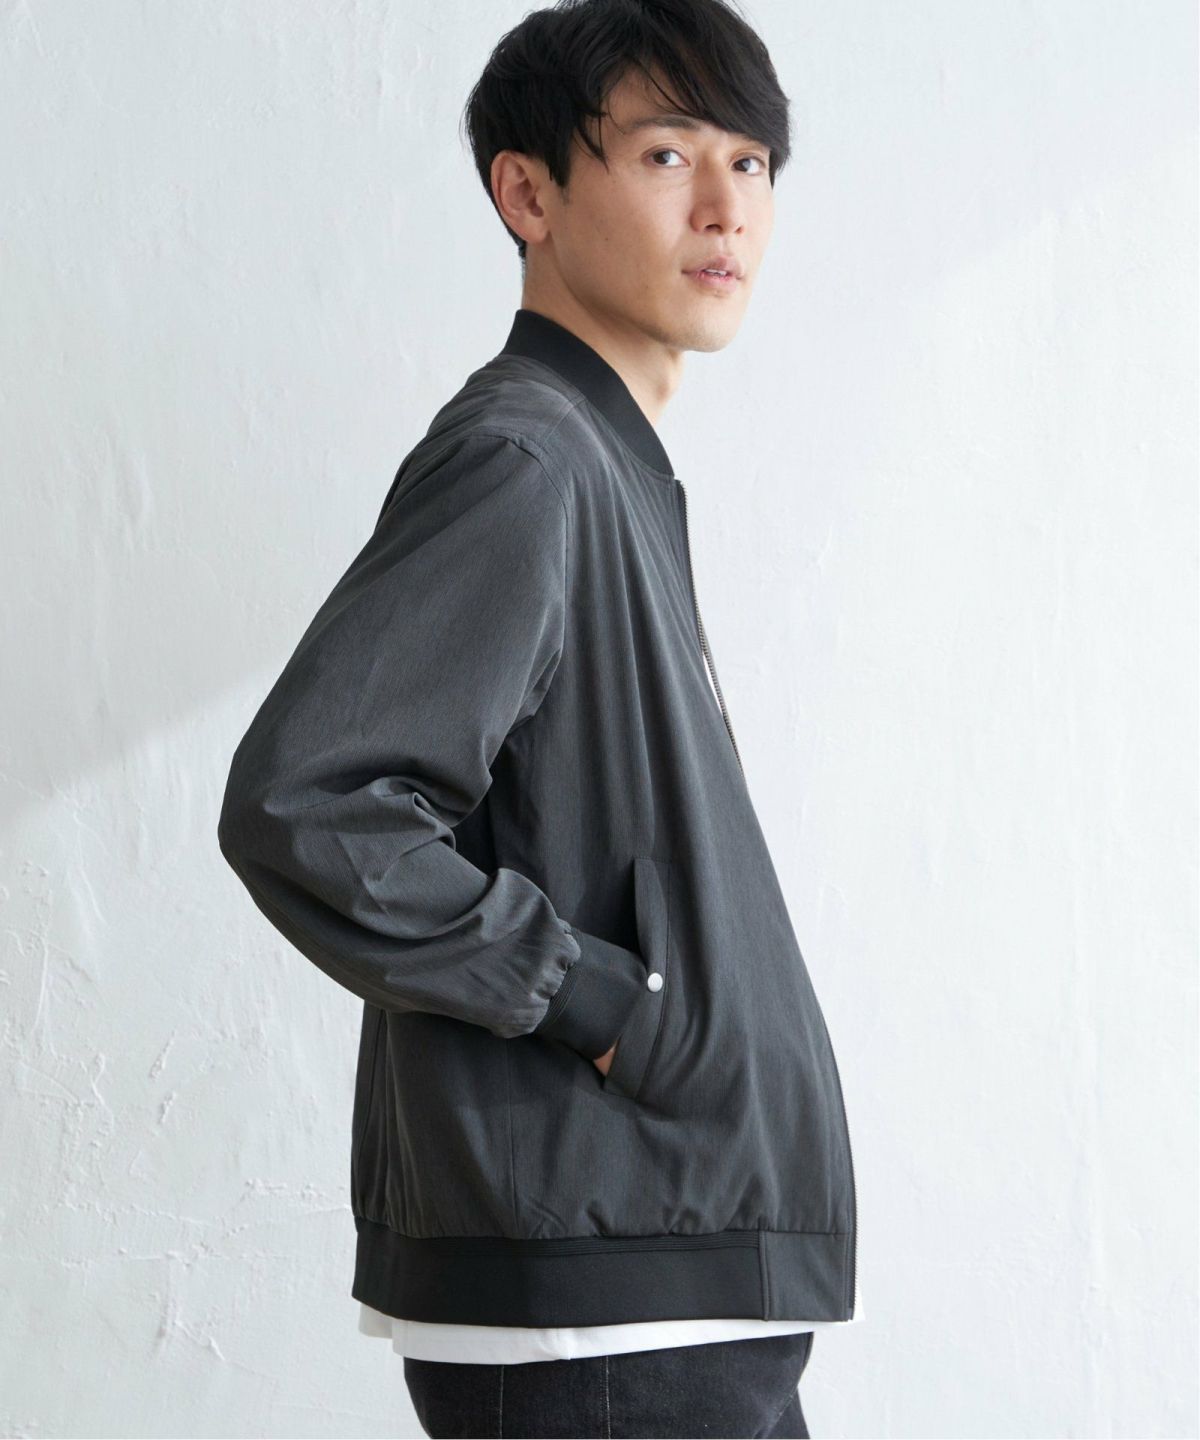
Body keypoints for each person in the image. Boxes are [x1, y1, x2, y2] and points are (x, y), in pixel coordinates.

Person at [217, 0, 860, 1434]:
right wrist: (606, 1007)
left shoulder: (602, 470)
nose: (725, 207)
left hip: (651, 1278)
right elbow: (308, 802)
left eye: (753, 163)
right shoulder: (530, 461)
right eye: (667, 153)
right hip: (601, 1307)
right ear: (529, 193)